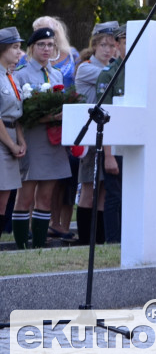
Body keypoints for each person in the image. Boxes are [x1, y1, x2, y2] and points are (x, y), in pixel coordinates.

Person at [11, 28, 71, 248]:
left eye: (50, 45)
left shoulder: (56, 74)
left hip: (53, 140)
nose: (46, 49)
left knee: (45, 197)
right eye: (41, 45)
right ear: (32, 48)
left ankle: (38, 245)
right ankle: (21, 246)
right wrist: (48, 116)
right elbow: (19, 113)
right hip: (33, 138)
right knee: (25, 197)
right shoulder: (21, 74)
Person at [74, 21, 121, 244]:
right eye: (103, 44)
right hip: (91, 136)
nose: (107, 50)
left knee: (103, 191)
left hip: (108, 135)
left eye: (112, 45)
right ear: (94, 46)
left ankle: (99, 240)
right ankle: (85, 240)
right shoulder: (86, 68)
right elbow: (113, 77)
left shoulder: (113, 66)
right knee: (89, 190)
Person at [95, 24, 127, 243]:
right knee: (115, 196)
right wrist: (108, 154)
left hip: (137, 147)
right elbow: (103, 117)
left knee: (133, 197)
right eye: (126, 42)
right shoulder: (109, 74)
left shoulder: (145, 73)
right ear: (117, 44)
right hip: (115, 147)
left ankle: (130, 238)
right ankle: (113, 241)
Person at [0, 27, 27, 242]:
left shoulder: (12, 77)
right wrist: (10, 144)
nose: (19, 52)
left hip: (11, 137)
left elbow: (17, 113)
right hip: (2, 139)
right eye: (15, 47)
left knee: (6, 195)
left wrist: (21, 139)